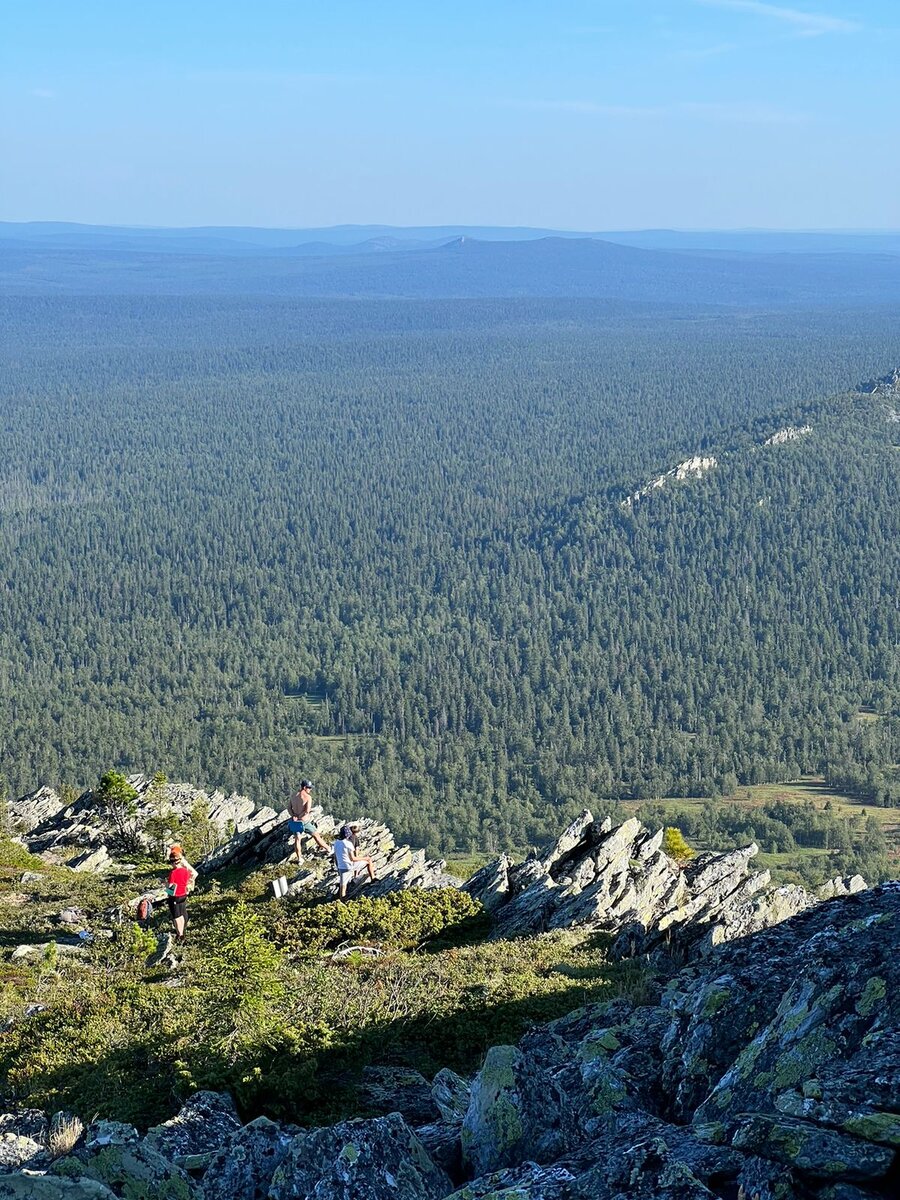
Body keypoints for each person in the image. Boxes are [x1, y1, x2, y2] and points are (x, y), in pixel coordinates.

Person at [287, 780, 331, 865]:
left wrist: (294, 816)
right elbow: (307, 811)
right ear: (304, 787)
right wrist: (300, 817)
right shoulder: (308, 797)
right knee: (316, 835)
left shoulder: (293, 796)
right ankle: (328, 849)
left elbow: (289, 808)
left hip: (295, 821)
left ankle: (300, 859)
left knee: (297, 839)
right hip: (304, 821)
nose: (310, 790)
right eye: (309, 788)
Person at [333, 821, 377, 899]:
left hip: (341, 867)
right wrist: (365, 858)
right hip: (349, 866)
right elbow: (353, 858)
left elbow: (335, 857)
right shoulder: (348, 844)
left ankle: (341, 902)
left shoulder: (336, 843)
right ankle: (373, 879)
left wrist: (338, 867)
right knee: (368, 862)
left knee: (343, 886)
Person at [166, 845, 197, 941]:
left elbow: (171, 887)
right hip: (183, 894)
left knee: (176, 916)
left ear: (173, 861)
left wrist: (165, 885)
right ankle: (183, 931)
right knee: (183, 912)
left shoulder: (173, 873)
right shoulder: (186, 871)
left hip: (174, 896)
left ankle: (180, 935)